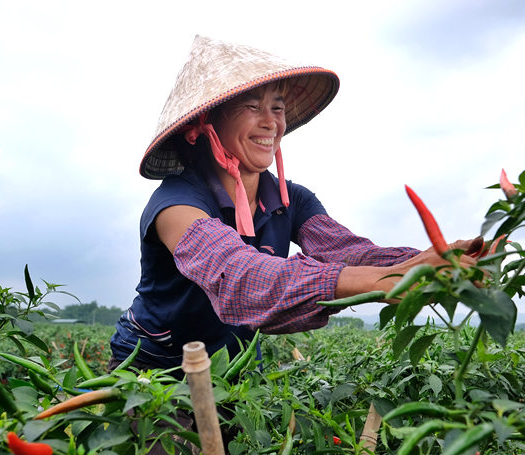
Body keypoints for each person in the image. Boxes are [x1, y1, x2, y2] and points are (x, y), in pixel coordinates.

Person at [109, 35, 478, 372]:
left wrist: (435, 260)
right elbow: (240, 278)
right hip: (152, 370)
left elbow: (346, 252)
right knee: (167, 446)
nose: (271, 123)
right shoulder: (177, 205)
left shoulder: (291, 198)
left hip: (231, 366)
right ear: (206, 122)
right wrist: (391, 280)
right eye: (253, 106)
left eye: (277, 107)